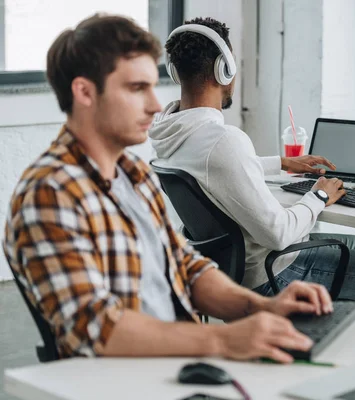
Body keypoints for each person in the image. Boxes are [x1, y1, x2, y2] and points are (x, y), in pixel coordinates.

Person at [2, 14, 334, 363]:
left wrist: (262, 306)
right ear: (84, 92)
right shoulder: (50, 194)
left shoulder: (130, 174)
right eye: (136, 88)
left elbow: (183, 265)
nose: (156, 105)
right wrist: (224, 339)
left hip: (177, 361)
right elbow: (97, 328)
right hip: (128, 381)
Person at [149, 17, 355, 300]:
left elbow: (213, 169)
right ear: (225, 69)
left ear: (176, 72)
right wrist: (319, 195)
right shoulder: (224, 141)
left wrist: (281, 163)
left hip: (227, 269)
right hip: (275, 274)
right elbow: (279, 232)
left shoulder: (172, 131)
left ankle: (341, 328)